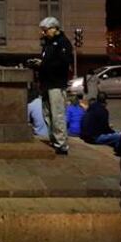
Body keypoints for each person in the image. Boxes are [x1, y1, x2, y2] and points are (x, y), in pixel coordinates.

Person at [30, 16, 73, 155]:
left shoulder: (63, 43)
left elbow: (63, 63)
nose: (43, 33)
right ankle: (55, 140)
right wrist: (40, 63)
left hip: (56, 84)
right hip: (47, 83)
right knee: (47, 113)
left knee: (57, 114)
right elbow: (48, 61)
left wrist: (43, 64)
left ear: (55, 29)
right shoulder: (48, 43)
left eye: (45, 30)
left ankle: (61, 144)